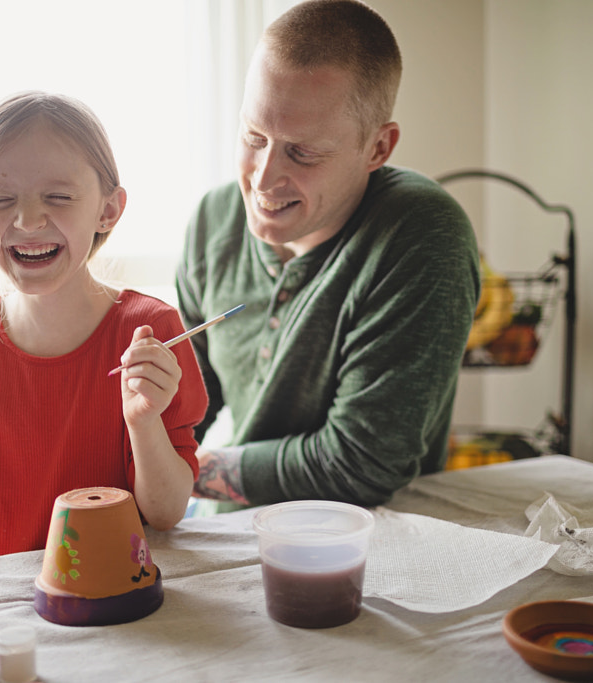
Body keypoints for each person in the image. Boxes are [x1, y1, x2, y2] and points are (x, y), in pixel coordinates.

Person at [177, 0, 480, 509]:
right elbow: (185, 406)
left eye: (303, 152)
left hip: (371, 546)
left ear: (378, 149)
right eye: (253, 136)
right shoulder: (214, 219)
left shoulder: (422, 233)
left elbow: (361, 463)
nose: (262, 178)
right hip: (227, 533)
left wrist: (181, 470)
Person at [0, 92, 208, 564]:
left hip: (123, 606)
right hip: (16, 613)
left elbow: (166, 514)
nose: (27, 220)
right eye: (0, 201)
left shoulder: (151, 329)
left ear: (108, 210)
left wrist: (143, 421)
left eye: (58, 197)